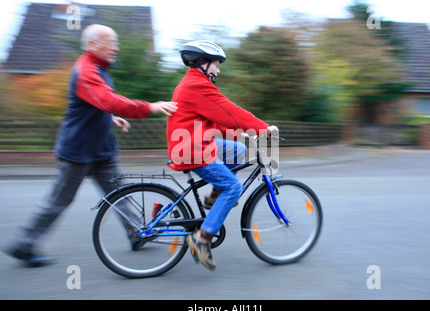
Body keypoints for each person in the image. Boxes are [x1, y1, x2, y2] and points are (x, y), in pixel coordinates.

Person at [3, 24, 177, 267]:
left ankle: (137, 233)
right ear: (92, 44)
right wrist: (148, 107)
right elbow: (106, 99)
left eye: (116, 43)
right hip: (78, 152)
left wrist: (111, 118)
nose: (115, 48)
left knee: (119, 194)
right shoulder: (86, 71)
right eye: (110, 43)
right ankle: (24, 243)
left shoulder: (100, 69)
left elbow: (97, 104)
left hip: (101, 150)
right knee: (59, 200)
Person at [166, 40, 277, 271]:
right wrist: (262, 128)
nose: (218, 69)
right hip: (192, 150)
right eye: (216, 64)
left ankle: (214, 195)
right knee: (234, 188)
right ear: (203, 63)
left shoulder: (194, 83)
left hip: (192, 140)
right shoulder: (197, 85)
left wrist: (243, 134)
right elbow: (229, 111)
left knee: (238, 150)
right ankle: (202, 239)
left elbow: (214, 121)